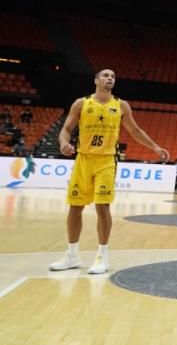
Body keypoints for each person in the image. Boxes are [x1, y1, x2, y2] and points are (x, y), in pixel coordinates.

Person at [49, 69, 170, 275]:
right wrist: (63, 142)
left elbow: (135, 131)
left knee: (102, 207)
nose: (110, 78)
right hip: (83, 159)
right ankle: (72, 256)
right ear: (96, 80)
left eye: (113, 76)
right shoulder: (81, 103)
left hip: (106, 161)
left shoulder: (121, 105)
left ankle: (102, 257)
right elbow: (67, 128)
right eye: (105, 75)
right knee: (75, 207)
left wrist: (155, 147)